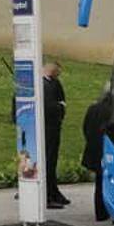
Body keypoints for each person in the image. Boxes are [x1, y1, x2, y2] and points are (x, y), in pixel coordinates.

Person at [82, 84, 113, 221]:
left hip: (94, 149)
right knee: (112, 182)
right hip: (110, 150)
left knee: (99, 182)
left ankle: (99, 213)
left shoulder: (93, 108)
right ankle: (113, 213)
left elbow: (85, 127)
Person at [42, 61, 69, 208]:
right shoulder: (42, 85)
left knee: (51, 161)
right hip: (47, 128)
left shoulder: (54, 83)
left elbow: (61, 100)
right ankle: (47, 194)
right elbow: (51, 106)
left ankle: (53, 191)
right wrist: (60, 107)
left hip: (53, 127)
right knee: (47, 160)